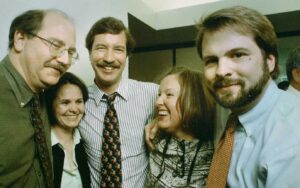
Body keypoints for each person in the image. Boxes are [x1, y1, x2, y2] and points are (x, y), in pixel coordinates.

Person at [195, 6, 300, 187]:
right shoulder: (235, 102)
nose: (221, 71)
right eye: (211, 61)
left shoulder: (292, 136)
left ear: (270, 62)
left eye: (238, 55)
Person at [0, 9, 77, 187]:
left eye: (71, 52)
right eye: (56, 45)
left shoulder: (40, 95)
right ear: (20, 39)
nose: (65, 60)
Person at [79, 17, 158, 188]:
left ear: (127, 55)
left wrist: (162, 120)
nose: (109, 58)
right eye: (100, 48)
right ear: (89, 53)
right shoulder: (78, 101)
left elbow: (189, 110)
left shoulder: (152, 94)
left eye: (118, 50)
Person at [145, 67, 215, 188]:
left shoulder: (214, 152)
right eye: (159, 95)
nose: (158, 102)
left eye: (169, 94)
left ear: (192, 100)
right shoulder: (157, 143)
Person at [45, 72, 90, 188]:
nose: (74, 109)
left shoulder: (84, 142)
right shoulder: (41, 144)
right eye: (65, 102)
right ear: (51, 104)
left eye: (79, 101)